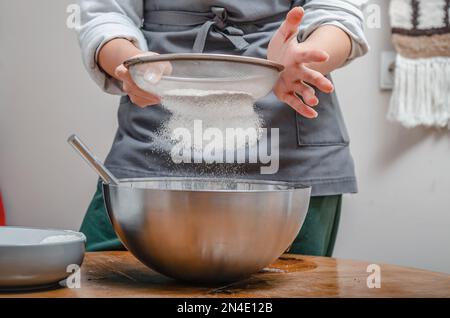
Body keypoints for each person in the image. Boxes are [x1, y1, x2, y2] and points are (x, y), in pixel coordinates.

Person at [77, 0, 369, 255]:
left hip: (287, 151)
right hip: (155, 140)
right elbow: (106, 14)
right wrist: (133, 66)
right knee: (98, 281)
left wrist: (306, 59)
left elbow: (337, 10)